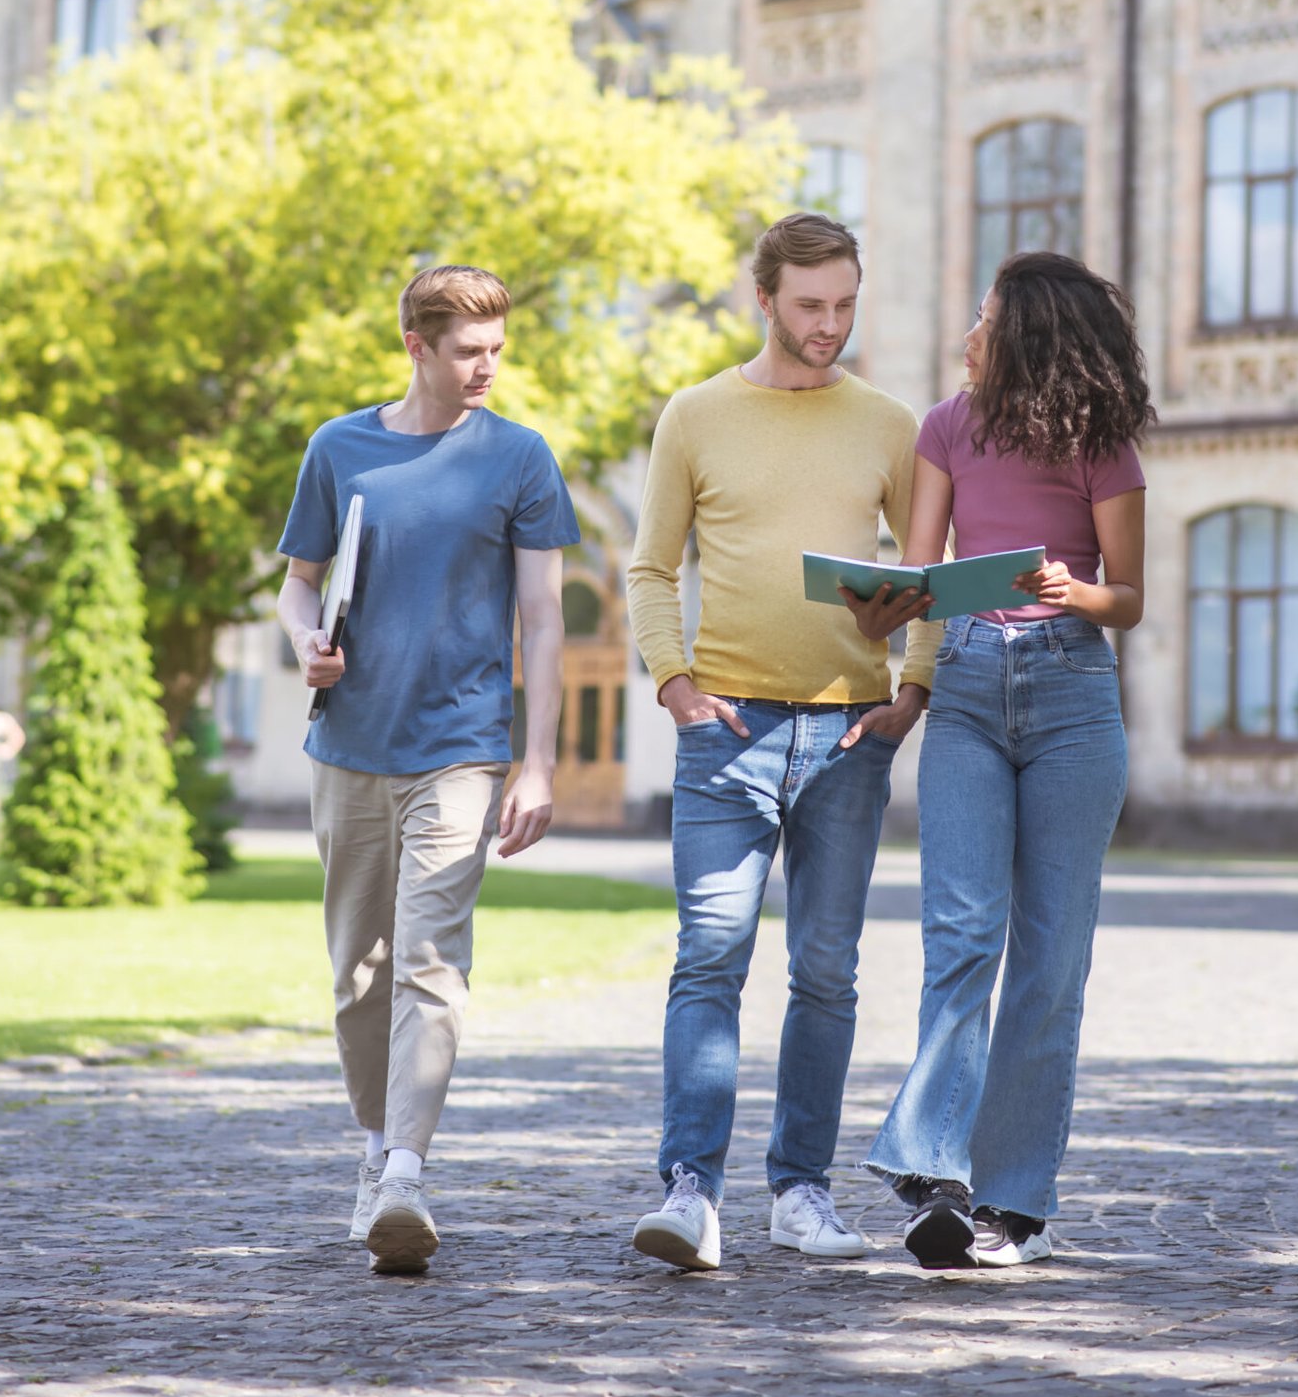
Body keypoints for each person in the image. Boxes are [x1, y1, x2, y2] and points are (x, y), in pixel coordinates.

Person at [625, 212, 942, 1272]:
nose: (828, 325)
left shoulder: (889, 424)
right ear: (762, 298)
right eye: (810, 306)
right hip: (727, 728)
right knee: (709, 955)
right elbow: (649, 567)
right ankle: (689, 1193)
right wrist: (671, 681)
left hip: (851, 732)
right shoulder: (696, 415)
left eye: (845, 305)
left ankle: (800, 1191)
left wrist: (914, 688)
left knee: (825, 971)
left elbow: (932, 572)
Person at [849, 250, 1151, 1270]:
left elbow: (1131, 599)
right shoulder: (945, 427)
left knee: (1050, 961)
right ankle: (934, 1169)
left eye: (982, 319)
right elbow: (928, 577)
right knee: (963, 935)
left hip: (1072, 694)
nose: (966, 335)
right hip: (971, 688)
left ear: (1024, 334)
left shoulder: (1103, 447)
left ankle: (1014, 1204)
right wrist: (887, 612)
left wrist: (1072, 590)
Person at [278, 263, 578, 1275]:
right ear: (417, 346)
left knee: (429, 961)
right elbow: (296, 587)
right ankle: (375, 1144)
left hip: (461, 746)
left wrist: (537, 762)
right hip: (349, 746)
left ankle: (406, 1168)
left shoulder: (522, 459)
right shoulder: (339, 448)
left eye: (497, 349)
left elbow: (543, 616)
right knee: (357, 974)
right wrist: (303, 641)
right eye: (467, 351)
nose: (487, 367)